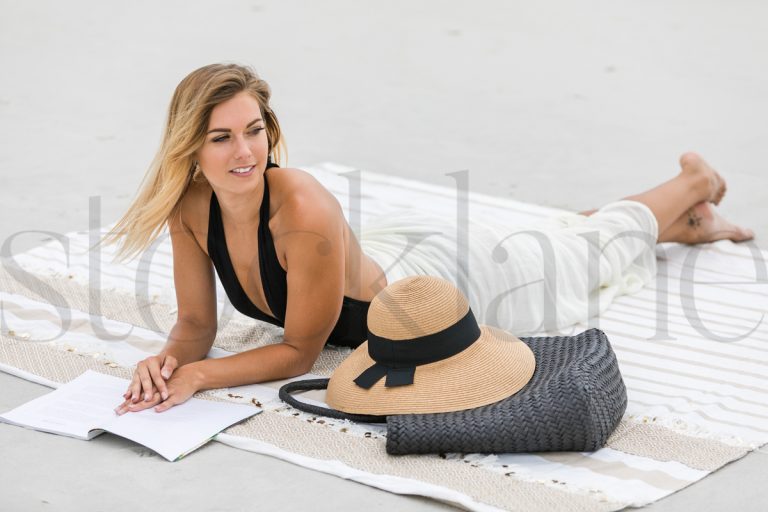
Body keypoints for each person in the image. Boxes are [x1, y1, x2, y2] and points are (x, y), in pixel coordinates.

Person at [108, 63, 754, 415]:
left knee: (577, 257)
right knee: (566, 239)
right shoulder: (190, 207)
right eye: (221, 138)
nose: (244, 152)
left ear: (269, 130)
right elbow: (195, 321)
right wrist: (168, 360)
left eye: (253, 130)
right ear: (191, 148)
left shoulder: (300, 207)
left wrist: (199, 377)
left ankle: (688, 184)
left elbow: (301, 352)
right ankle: (682, 221)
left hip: (435, 288)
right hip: (386, 256)